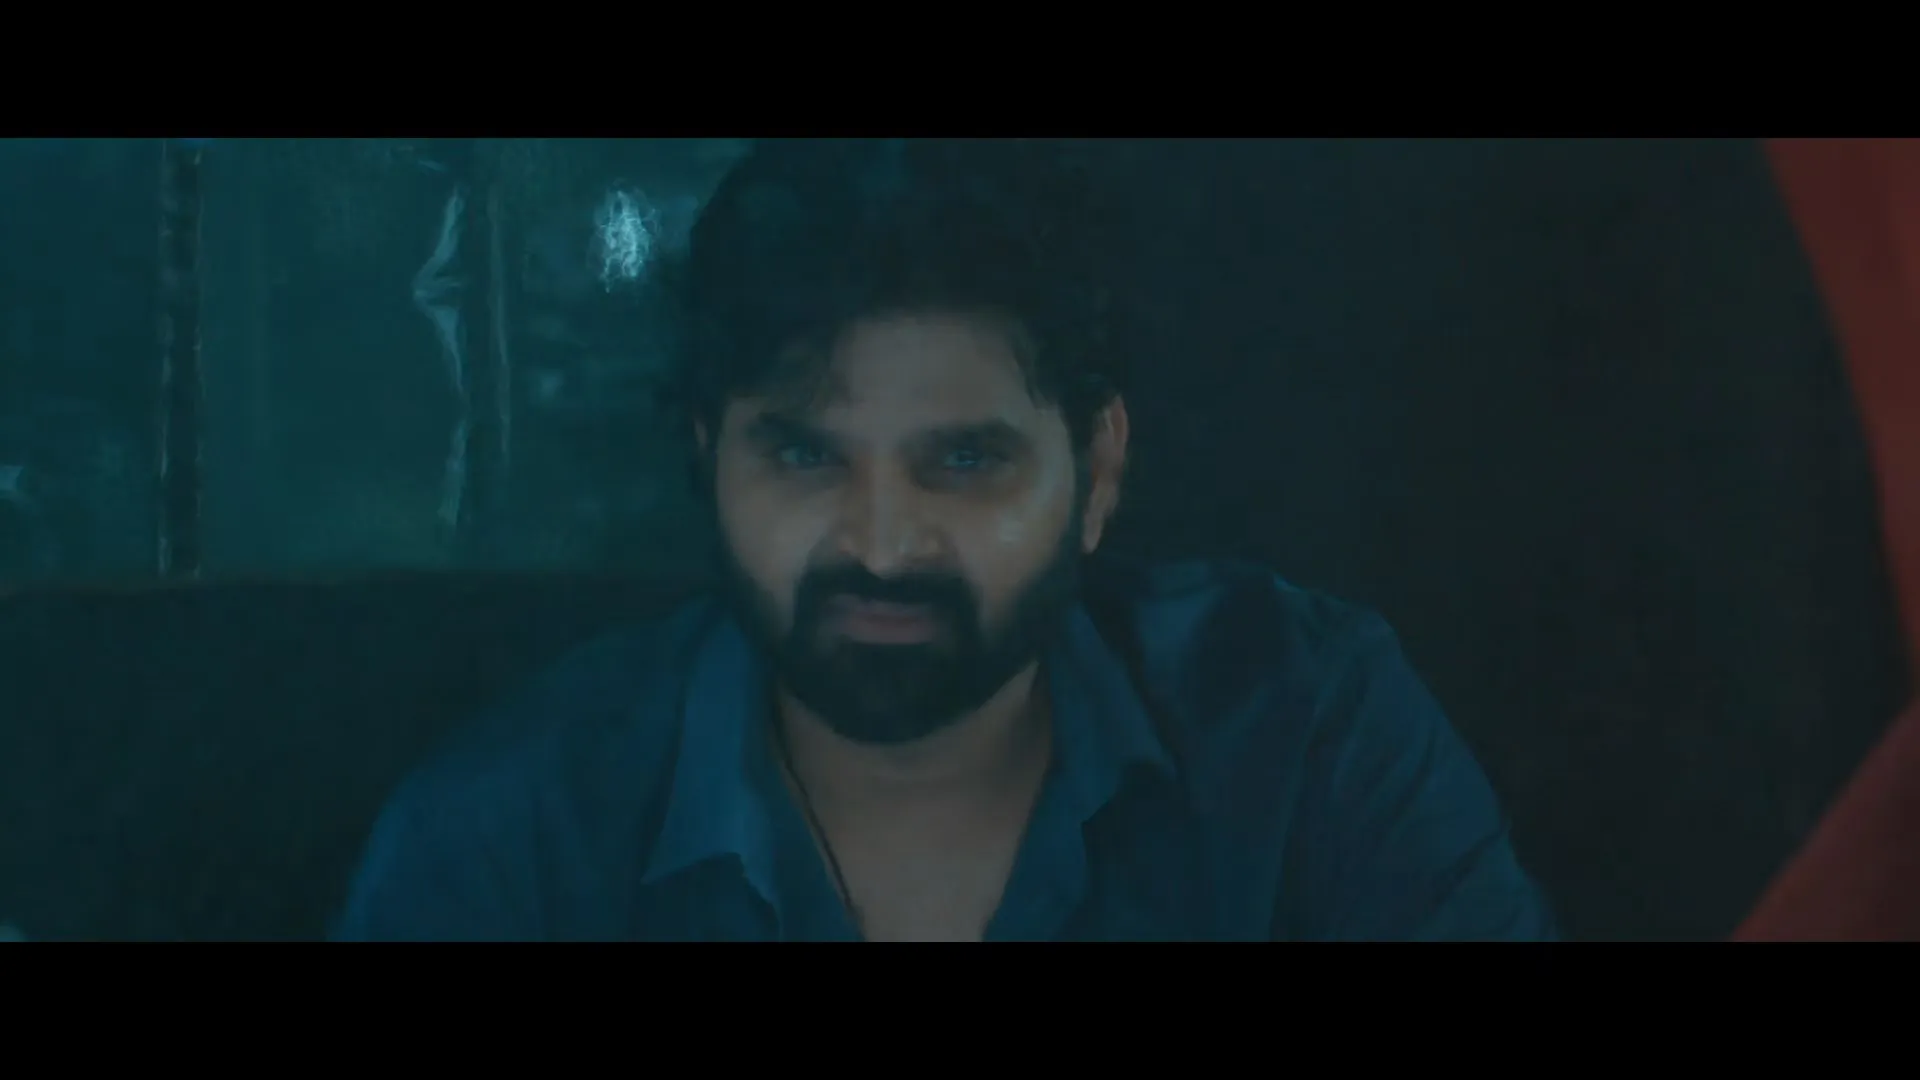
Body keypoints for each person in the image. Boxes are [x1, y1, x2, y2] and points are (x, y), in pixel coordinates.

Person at [333, 139, 1557, 942]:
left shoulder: (1303, 729)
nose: (881, 544)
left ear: (1097, 471)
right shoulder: (511, 834)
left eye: (965, 461)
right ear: (708, 460)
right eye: (805, 456)